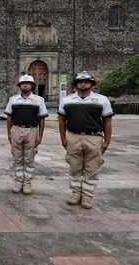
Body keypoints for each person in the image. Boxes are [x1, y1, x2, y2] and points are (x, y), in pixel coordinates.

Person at [58, 71, 113, 209]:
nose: (83, 84)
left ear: (91, 84)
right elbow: (62, 121)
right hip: (73, 136)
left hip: (94, 137)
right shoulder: (67, 100)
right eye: (80, 82)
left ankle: (87, 196)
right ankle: (75, 193)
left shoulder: (102, 100)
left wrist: (107, 140)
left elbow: (107, 121)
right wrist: (63, 138)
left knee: (92, 168)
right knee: (74, 166)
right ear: (76, 84)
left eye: (86, 81)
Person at [5, 75, 48, 194]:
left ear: (32, 86)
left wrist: (40, 135)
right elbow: (9, 117)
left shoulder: (39, 100)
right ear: (19, 86)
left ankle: (27, 182)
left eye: (28, 83)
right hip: (17, 129)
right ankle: (18, 181)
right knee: (17, 157)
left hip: (32, 130)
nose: (25, 85)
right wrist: (9, 133)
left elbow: (42, 119)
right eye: (23, 83)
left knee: (29, 158)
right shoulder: (13, 99)